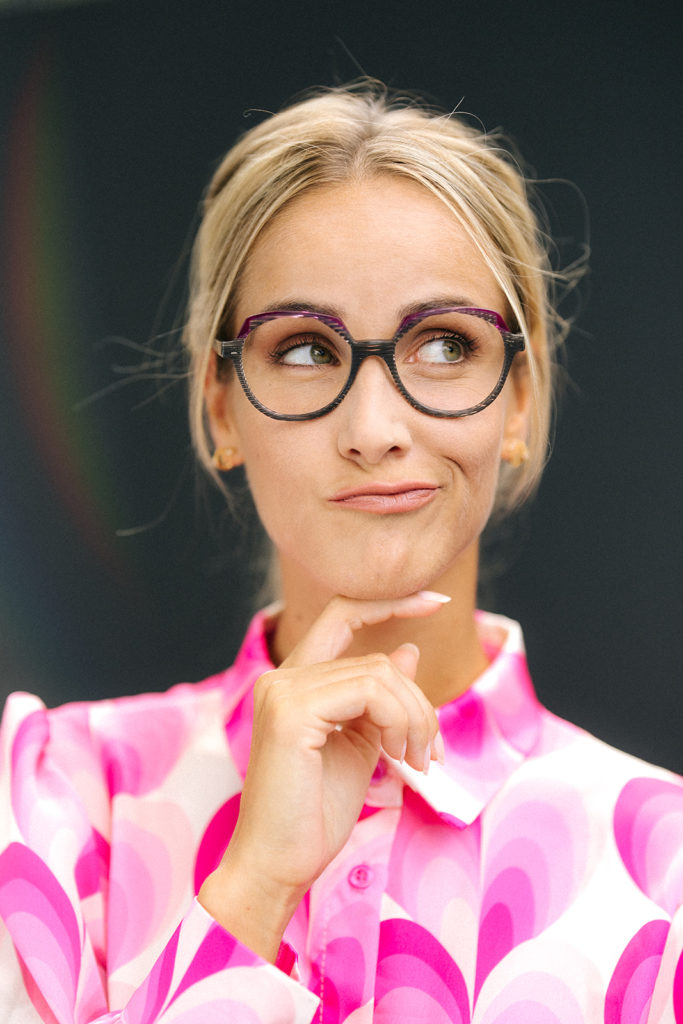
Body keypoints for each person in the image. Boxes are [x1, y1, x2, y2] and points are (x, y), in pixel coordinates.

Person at [0, 81, 681, 1024]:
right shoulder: (57, 804)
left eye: (443, 344)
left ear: (519, 401)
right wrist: (253, 888)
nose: (373, 429)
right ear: (220, 408)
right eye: (304, 350)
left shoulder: (664, 868)